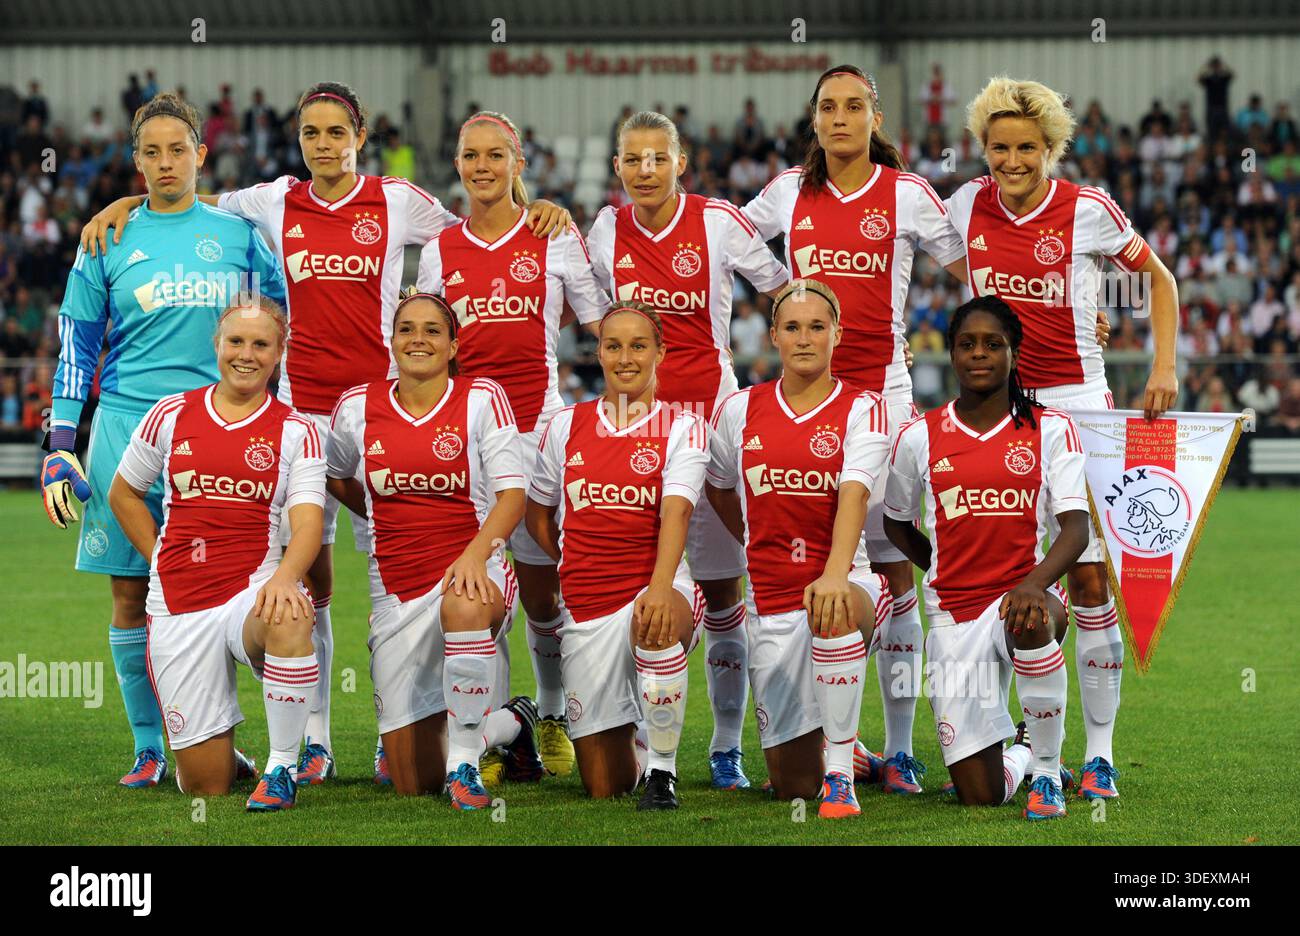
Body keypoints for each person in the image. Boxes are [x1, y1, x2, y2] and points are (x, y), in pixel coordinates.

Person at [81, 81, 571, 786]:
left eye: (336, 132)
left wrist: (536, 208)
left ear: (359, 137)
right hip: (301, 417)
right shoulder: (274, 200)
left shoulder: (398, 200)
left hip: (377, 417)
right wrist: (125, 202)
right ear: (300, 141)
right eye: (311, 134)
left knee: (392, 572)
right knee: (306, 583)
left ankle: (418, 726)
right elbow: (187, 198)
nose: (324, 145)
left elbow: (479, 225)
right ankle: (314, 740)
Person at [944, 77, 1180, 799]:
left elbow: (1160, 280)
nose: (1012, 161)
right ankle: (1034, 741)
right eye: (999, 148)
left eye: (1027, 148)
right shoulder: (964, 205)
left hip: (1079, 409)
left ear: (1050, 148)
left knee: (1084, 576)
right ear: (983, 149)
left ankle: (1100, 753)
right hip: (1003, 412)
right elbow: (972, 277)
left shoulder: (1089, 209)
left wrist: (1164, 364)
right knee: (1018, 578)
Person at [43, 93, 286, 789]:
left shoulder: (238, 235)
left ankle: (262, 746)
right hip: (123, 428)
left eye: (177, 148)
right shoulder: (105, 240)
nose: (164, 162)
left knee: (232, 589)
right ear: (135, 160)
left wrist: (276, 416)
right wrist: (62, 440)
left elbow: (277, 326)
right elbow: (77, 346)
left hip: (218, 432)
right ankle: (150, 746)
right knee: (131, 593)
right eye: (150, 151)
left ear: (201, 154)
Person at [742, 65, 970, 793]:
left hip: (887, 401)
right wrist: (789, 299)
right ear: (814, 120)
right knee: (817, 566)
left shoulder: (906, 194)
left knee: (895, 568)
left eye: (854, 107)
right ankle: (823, 731)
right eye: (827, 108)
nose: (839, 118)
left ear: (875, 117)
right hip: (812, 404)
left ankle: (898, 747)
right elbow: (723, 239)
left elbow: (975, 267)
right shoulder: (788, 193)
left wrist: (1065, 313)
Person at [586, 111, 789, 790]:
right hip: (633, 432)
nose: (645, 171)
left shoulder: (718, 221)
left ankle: (726, 746)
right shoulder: (605, 230)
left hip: (713, 423)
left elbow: (785, 289)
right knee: (641, 584)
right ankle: (645, 738)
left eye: (657, 158)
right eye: (632, 159)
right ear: (617, 167)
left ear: (681, 161)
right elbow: (585, 307)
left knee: (723, 590)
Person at [417, 110, 610, 781]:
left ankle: (551, 715)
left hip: (540, 436)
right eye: (470, 156)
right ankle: (497, 735)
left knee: (542, 592)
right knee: (478, 592)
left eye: (494, 155)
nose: (481, 167)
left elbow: (600, 324)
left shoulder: (552, 237)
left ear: (518, 162)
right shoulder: (441, 249)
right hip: (469, 446)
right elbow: (424, 344)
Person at [326, 288, 542, 808]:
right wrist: (379, 514)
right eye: (406, 329)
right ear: (391, 339)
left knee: (465, 600)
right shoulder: (355, 407)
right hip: (394, 592)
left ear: (452, 345)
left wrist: (474, 554)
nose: (417, 338)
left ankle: (465, 767)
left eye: (432, 330)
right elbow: (335, 476)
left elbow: (513, 494)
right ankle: (514, 722)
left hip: (474, 569)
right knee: (410, 778)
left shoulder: (482, 398)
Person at [108, 295, 324, 811]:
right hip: (178, 600)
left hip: (250, 592)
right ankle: (232, 761)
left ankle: (280, 767)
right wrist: (158, 551)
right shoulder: (170, 414)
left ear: (279, 354)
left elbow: (309, 523)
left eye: (260, 344)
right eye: (236, 341)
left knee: (291, 612)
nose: (246, 354)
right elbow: (124, 493)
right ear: (217, 345)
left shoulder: (298, 430)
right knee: (206, 784)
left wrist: (285, 577)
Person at [884, 296, 1089, 820]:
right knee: (981, 794)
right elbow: (895, 521)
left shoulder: (1051, 428)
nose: (980, 354)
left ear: (1014, 354)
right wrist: (937, 566)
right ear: (951, 354)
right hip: (952, 613)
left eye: (993, 344)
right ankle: (1024, 748)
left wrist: (1033, 584)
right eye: (967, 344)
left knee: (1033, 615)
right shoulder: (919, 436)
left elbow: (1076, 529)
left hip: (1022, 602)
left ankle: (1046, 773)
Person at [706, 280, 893, 818]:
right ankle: (848, 752)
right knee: (791, 786)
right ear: (774, 337)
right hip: (771, 603)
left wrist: (835, 576)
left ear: (838, 333)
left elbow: (854, 496)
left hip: (846, 585)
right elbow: (720, 485)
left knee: (831, 610)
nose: (805, 338)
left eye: (817, 327)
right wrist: (751, 541)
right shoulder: (740, 410)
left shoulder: (864, 408)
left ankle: (841, 778)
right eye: (792, 327)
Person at [525, 303, 708, 810]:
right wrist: (571, 559)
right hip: (586, 605)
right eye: (613, 345)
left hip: (654, 586)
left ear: (660, 353)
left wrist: (659, 585)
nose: (625, 357)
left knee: (656, 621)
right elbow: (538, 514)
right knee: (603, 784)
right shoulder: (564, 425)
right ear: (599, 352)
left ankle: (663, 773)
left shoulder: (683, 426)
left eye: (638, 345)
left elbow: (676, 513)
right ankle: (527, 719)